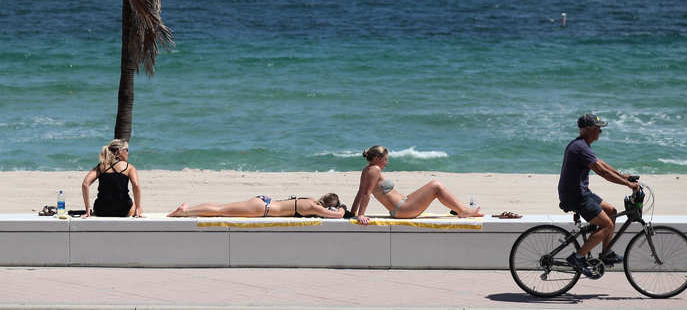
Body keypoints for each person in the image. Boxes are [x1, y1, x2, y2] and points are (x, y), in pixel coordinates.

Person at [558, 113, 639, 277]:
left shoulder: (582, 145)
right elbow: (602, 172)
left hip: (581, 192)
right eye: (598, 129)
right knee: (607, 225)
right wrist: (628, 185)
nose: (600, 132)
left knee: (612, 211)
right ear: (588, 129)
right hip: (576, 196)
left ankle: (606, 254)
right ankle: (578, 257)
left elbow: (602, 164)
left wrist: (623, 176)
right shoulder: (580, 147)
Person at [350, 145, 484, 225]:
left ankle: (462, 209)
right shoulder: (375, 170)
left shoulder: (366, 170)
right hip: (403, 210)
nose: (387, 162)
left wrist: (352, 213)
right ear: (377, 159)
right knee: (436, 185)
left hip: (403, 205)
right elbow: (366, 193)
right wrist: (361, 215)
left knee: (434, 186)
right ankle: (463, 210)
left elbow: (359, 193)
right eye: (385, 159)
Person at [81, 139, 142, 217]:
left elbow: (85, 184)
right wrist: (138, 207)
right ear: (119, 152)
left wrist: (87, 208)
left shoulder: (101, 166)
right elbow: (136, 185)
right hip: (123, 209)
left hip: (101, 210)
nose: (128, 153)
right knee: (138, 208)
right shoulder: (129, 167)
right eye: (126, 150)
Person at [167, 192, 348, 218]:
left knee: (222, 208)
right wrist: (342, 208)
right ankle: (185, 211)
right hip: (262, 209)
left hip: (264, 202)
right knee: (221, 211)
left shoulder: (309, 200)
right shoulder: (314, 208)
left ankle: (187, 209)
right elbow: (338, 215)